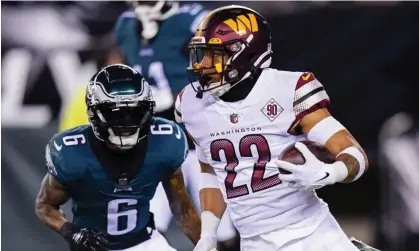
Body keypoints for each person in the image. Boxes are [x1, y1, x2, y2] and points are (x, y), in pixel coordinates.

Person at [175, 5, 374, 251]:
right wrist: (208, 233)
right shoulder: (190, 104)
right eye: (201, 53)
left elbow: (355, 155)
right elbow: (211, 172)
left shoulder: (288, 90)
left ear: (243, 54)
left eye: (214, 54)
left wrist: (329, 173)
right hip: (254, 243)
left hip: (314, 235)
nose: (202, 64)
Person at [58, 1, 238, 248]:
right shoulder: (126, 25)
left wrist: (188, 93)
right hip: (157, 143)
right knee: (150, 226)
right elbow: (116, 67)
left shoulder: (192, 20)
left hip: (199, 142)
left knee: (223, 230)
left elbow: (227, 52)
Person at [35, 64, 201, 251]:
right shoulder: (71, 153)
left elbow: (183, 210)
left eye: (134, 112)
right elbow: (45, 205)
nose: (126, 123)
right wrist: (71, 231)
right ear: (94, 112)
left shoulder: (165, 141)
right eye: (116, 113)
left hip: (145, 243)